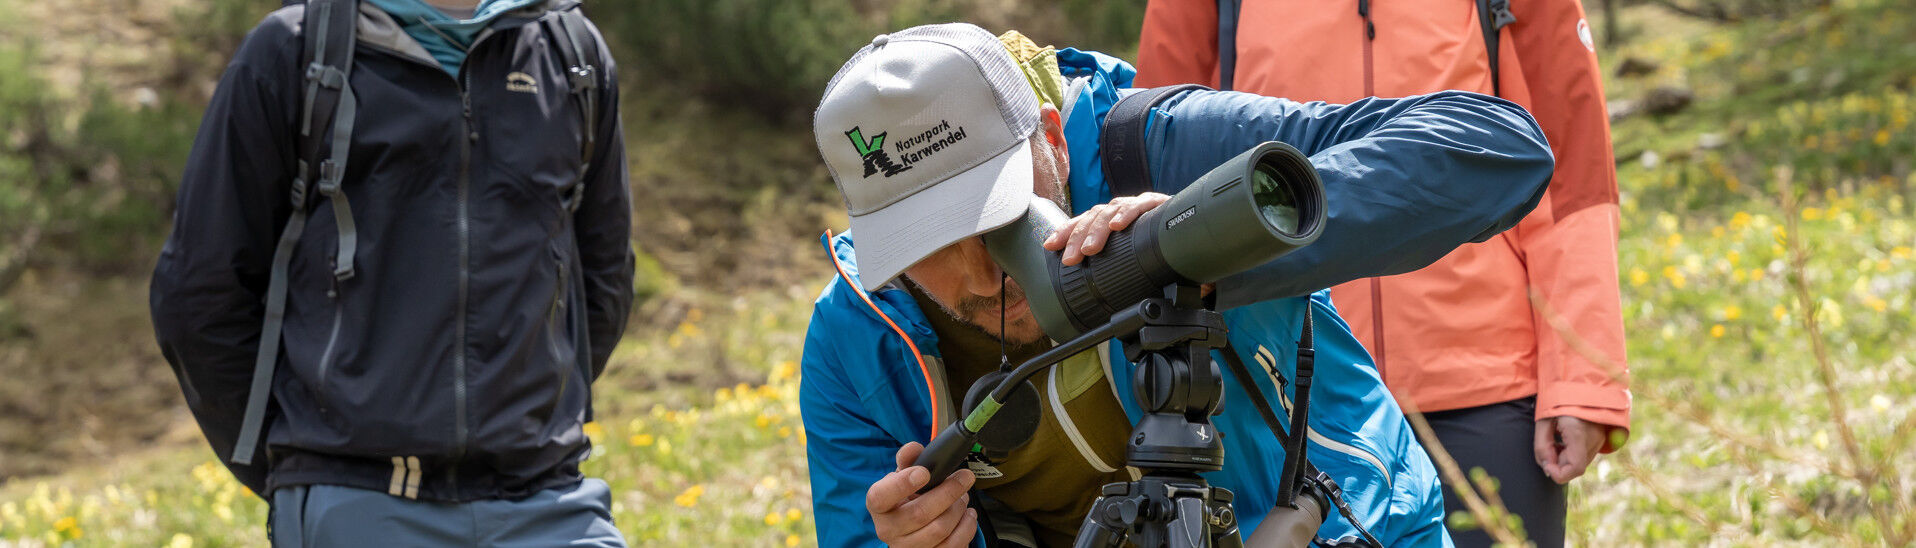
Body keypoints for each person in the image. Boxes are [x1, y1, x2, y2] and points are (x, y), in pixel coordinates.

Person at [800, 23, 1556, 547]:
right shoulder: (854, 339)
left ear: (1052, 140)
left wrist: (1210, 236)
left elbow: (1497, 149)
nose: (978, 276)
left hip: (1329, 529)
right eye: (927, 243)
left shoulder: (1154, 148)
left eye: (994, 215)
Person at [1134, 1, 1632, 545]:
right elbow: (1149, 154)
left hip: (1484, 383)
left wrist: (1582, 380)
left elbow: (1572, 179)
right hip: (1288, 390)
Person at [149, 0, 632, 544]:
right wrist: (299, 463)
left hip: (548, 500)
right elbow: (199, 295)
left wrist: (528, 415)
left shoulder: (574, 58)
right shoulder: (294, 52)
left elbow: (603, 280)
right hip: (359, 501)